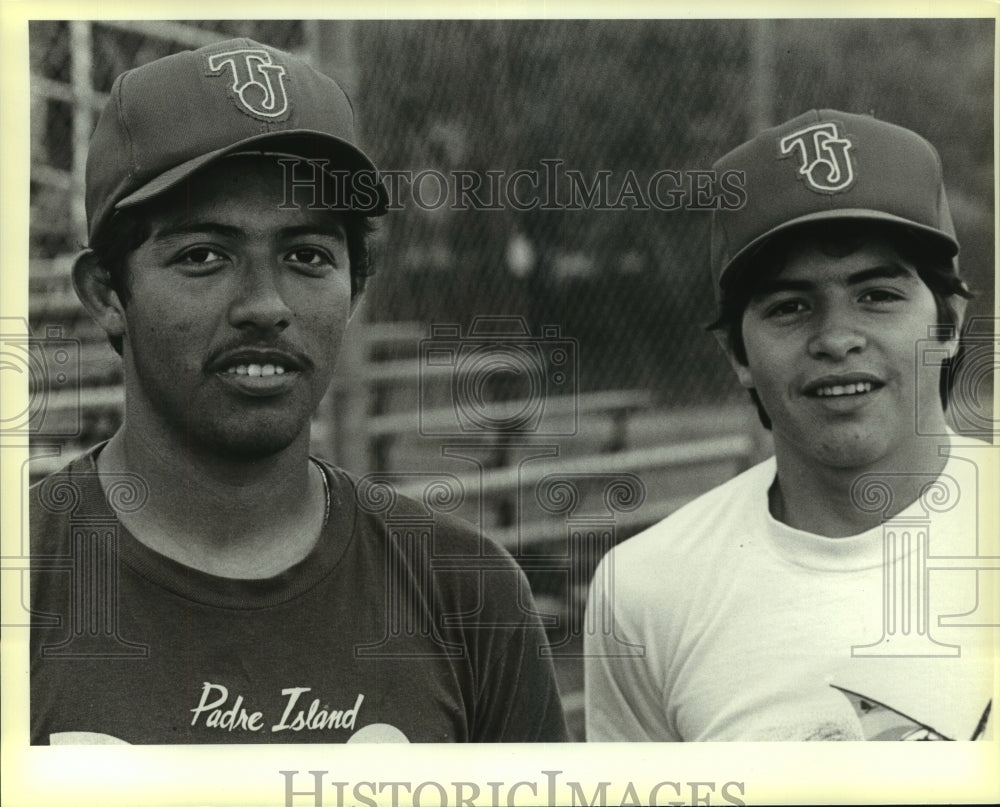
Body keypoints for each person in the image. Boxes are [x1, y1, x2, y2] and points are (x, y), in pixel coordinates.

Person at [30, 38, 568, 745]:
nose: (265, 304)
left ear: (356, 288)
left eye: (307, 256)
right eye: (204, 256)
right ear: (106, 292)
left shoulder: (469, 596)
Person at [585, 109, 996, 741]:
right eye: (790, 306)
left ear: (951, 321)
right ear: (736, 354)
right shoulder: (643, 590)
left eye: (877, 295)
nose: (836, 339)